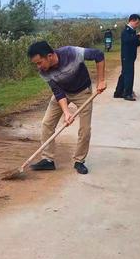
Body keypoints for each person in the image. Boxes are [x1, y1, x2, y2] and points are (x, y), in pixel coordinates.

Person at [27, 41, 106, 175]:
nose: (38, 66)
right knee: (47, 123)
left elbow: (98, 55)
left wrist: (101, 80)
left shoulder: (72, 53)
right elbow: (58, 92)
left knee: (85, 129)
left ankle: (79, 161)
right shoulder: (44, 72)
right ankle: (48, 160)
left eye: (39, 62)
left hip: (82, 92)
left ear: (50, 56)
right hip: (63, 92)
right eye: (36, 64)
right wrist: (66, 112)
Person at [114, 14, 140, 101]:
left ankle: (118, 92)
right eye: (136, 23)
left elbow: (136, 43)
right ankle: (127, 93)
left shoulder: (132, 31)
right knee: (129, 75)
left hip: (131, 56)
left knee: (124, 74)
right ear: (131, 21)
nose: (137, 25)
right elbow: (128, 41)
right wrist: (138, 36)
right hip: (126, 56)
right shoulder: (126, 31)